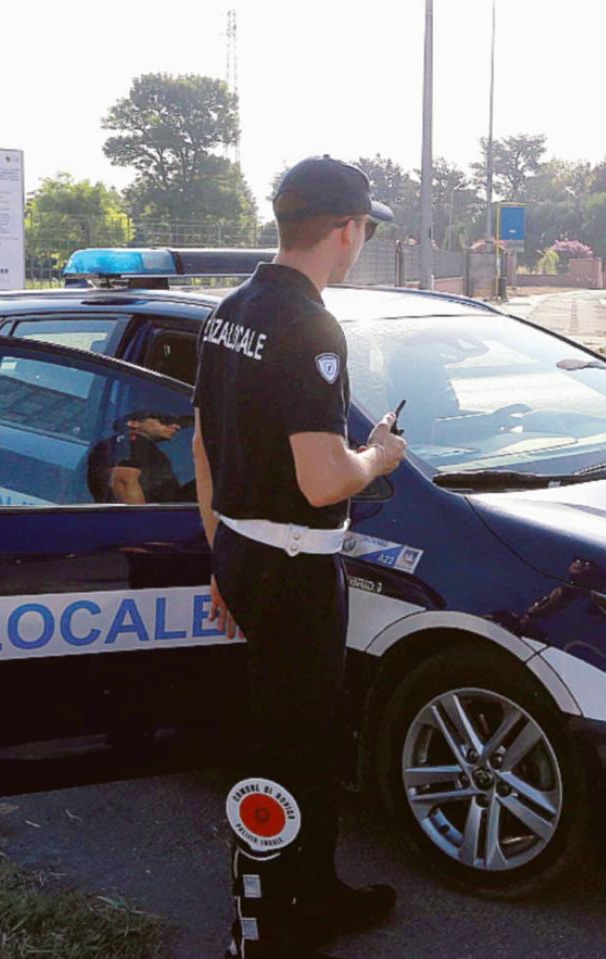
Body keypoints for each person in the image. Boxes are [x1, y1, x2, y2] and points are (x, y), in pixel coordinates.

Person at [190, 156, 408, 959]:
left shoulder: (228, 310)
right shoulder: (311, 325)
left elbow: (205, 444)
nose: (362, 241)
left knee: (272, 736)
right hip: (296, 570)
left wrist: (222, 555)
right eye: (365, 228)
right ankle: (288, 918)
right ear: (345, 231)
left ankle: (289, 899)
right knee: (306, 744)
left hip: (246, 554)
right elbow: (323, 480)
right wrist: (377, 456)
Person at [87, 410, 187, 504]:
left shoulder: (142, 446)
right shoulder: (129, 442)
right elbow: (123, 481)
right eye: (165, 421)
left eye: (180, 425)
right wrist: (140, 519)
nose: (177, 427)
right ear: (134, 423)